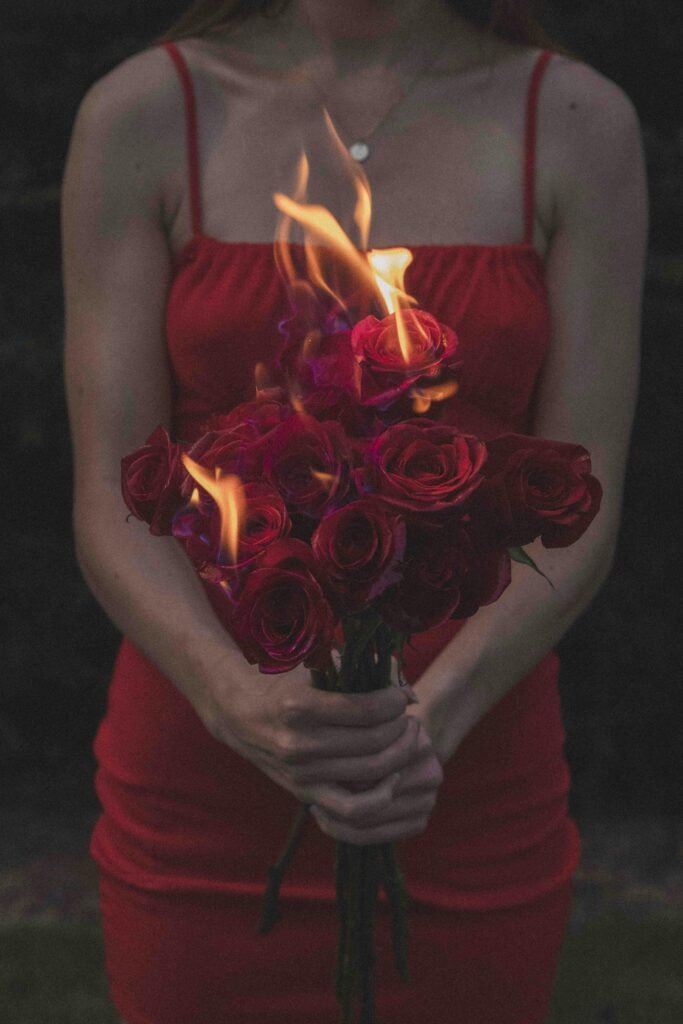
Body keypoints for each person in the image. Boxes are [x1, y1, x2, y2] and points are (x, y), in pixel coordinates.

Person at [62, 1, 647, 1021]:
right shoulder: (147, 113)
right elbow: (113, 501)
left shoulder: (575, 124)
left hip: (466, 780)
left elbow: (584, 494)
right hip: (201, 786)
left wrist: (429, 723)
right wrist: (236, 701)